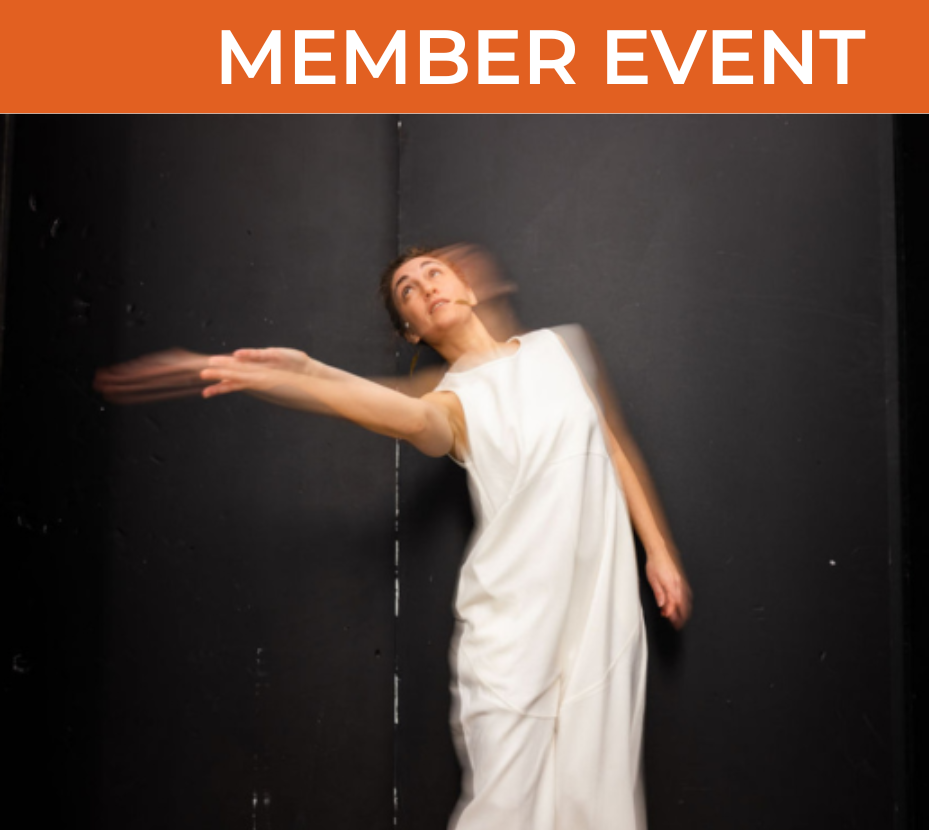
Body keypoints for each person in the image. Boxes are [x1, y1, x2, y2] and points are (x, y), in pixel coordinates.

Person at [94, 247, 691, 829]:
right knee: (508, 808)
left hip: (599, 612)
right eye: (410, 289)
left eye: (435, 272)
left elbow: (612, 445)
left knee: (598, 798)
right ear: (411, 330)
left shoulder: (559, 347)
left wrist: (658, 550)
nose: (428, 286)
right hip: (513, 627)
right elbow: (399, 416)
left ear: (467, 287)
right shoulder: (450, 403)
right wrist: (306, 374)